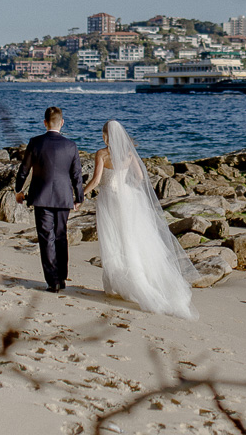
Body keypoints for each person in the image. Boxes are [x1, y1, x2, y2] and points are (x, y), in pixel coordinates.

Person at [83, 119, 197, 319]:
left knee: (115, 242)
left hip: (109, 199)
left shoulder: (102, 154)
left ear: (105, 136)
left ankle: (121, 284)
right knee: (132, 240)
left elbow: (95, 181)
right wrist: (130, 188)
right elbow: (140, 178)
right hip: (127, 198)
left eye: (103, 134)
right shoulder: (128, 154)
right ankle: (141, 282)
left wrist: (81, 193)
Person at [13, 106, 83, 293]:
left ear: (44, 123)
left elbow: (24, 170)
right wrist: (79, 197)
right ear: (62, 123)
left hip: (41, 197)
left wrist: (18, 190)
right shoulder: (71, 146)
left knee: (46, 238)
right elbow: (76, 175)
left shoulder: (35, 143)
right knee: (61, 236)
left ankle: (53, 281)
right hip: (63, 197)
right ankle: (61, 277)